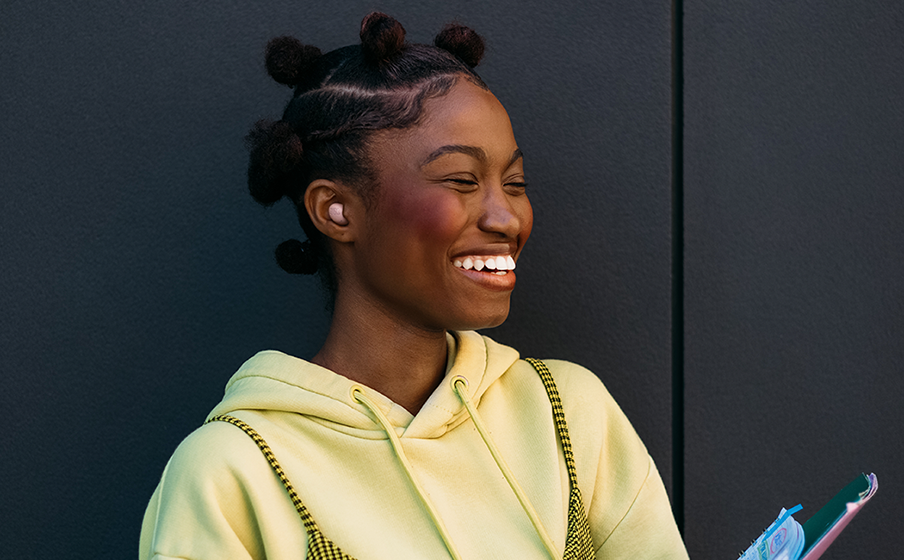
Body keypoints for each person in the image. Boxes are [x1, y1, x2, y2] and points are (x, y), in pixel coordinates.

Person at [139, 12, 688, 560]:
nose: (507, 217)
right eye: (462, 180)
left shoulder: (566, 412)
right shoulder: (233, 472)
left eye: (514, 182)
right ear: (335, 210)